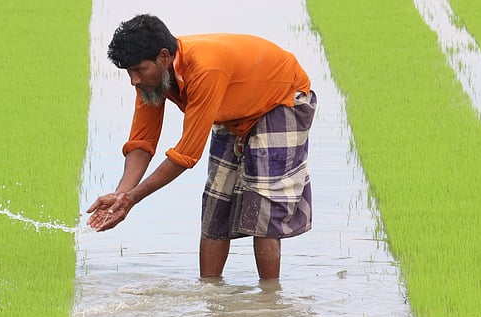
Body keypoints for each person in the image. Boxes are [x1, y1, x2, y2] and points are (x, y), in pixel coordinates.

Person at [86, 14, 316, 280]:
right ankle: (209, 292)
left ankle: (268, 301)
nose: (133, 80)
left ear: (163, 57)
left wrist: (133, 199)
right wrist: (121, 194)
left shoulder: (205, 70)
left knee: (261, 208)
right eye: (128, 72)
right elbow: (142, 142)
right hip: (233, 108)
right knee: (215, 202)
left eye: (138, 70)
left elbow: (186, 154)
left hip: (282, 100)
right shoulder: (154, 81)